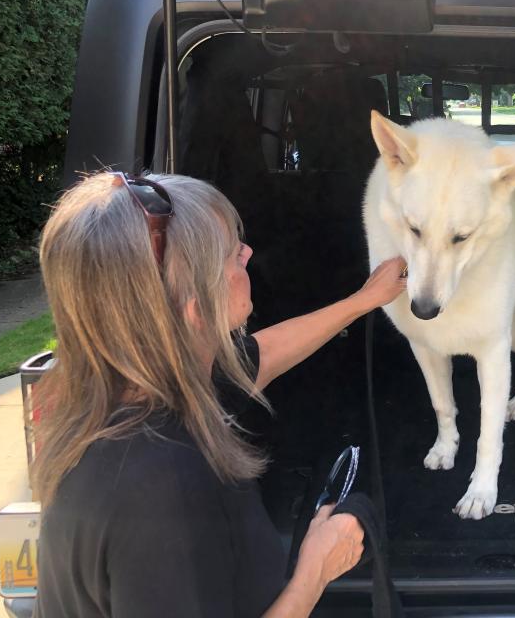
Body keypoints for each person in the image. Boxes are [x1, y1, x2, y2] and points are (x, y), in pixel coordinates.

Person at [32, 171, 407, 618]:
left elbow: (262, 355)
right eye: (233, 254)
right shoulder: (160, 492)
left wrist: (363, 300)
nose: (247, 253)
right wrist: (316, 570)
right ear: (196, 307)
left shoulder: (144, 393)